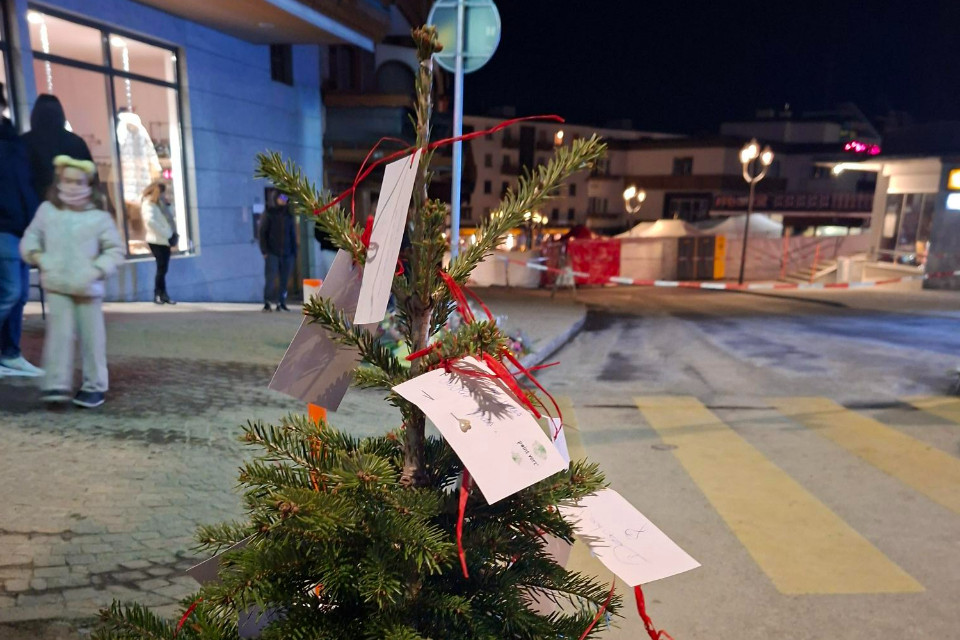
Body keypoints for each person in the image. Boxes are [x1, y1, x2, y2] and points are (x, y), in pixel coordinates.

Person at [20, 155, 124, 408]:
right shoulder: (48, 211)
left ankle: (95, 386)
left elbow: (115, 249)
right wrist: (41, 258)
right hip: (57, 285)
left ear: (89, 184)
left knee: (93, 340)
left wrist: (97, 269)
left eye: (79, 181)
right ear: (59, 181)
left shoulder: (99, 217)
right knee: (59, 336)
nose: (73, 186)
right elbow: (31, 238)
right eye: (68, 180)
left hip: (88, 288)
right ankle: (56, 384)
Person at [0, 85, 42, 377]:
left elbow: (25, 183)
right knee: (12, 291)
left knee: (21, 294)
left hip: (21, 226)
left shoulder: (13, 139)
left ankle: (10, 353)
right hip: (3, 227)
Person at [21, 94, 93, 201]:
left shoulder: (23, 143)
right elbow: (91, 178)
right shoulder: (75, 142)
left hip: (35, 205)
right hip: (72, 203)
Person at [259, 192, 297, 312]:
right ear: (275, 198)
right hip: (272, 252)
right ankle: (268, 302)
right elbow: (262, 232)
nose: (283, 200)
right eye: (281, 198)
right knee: (270, 278)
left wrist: (294, 252)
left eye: (285, 198)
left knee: (284, 280)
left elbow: (292, 235)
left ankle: (282, 302)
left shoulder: (289, 215)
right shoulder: (269, 213)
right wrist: (264, 250)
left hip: (287, 253)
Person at [141, 181, 177, 304]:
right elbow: (150, 221)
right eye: (162, 192)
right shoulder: (149, 204)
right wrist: (166, 233)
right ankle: (158, 294)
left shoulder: (160, 204)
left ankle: (163, 295)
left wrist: (168, 205)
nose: (163, 194)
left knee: (163, 269)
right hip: (156, 240)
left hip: (163, 241)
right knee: (161, 269)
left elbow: (170, 217)